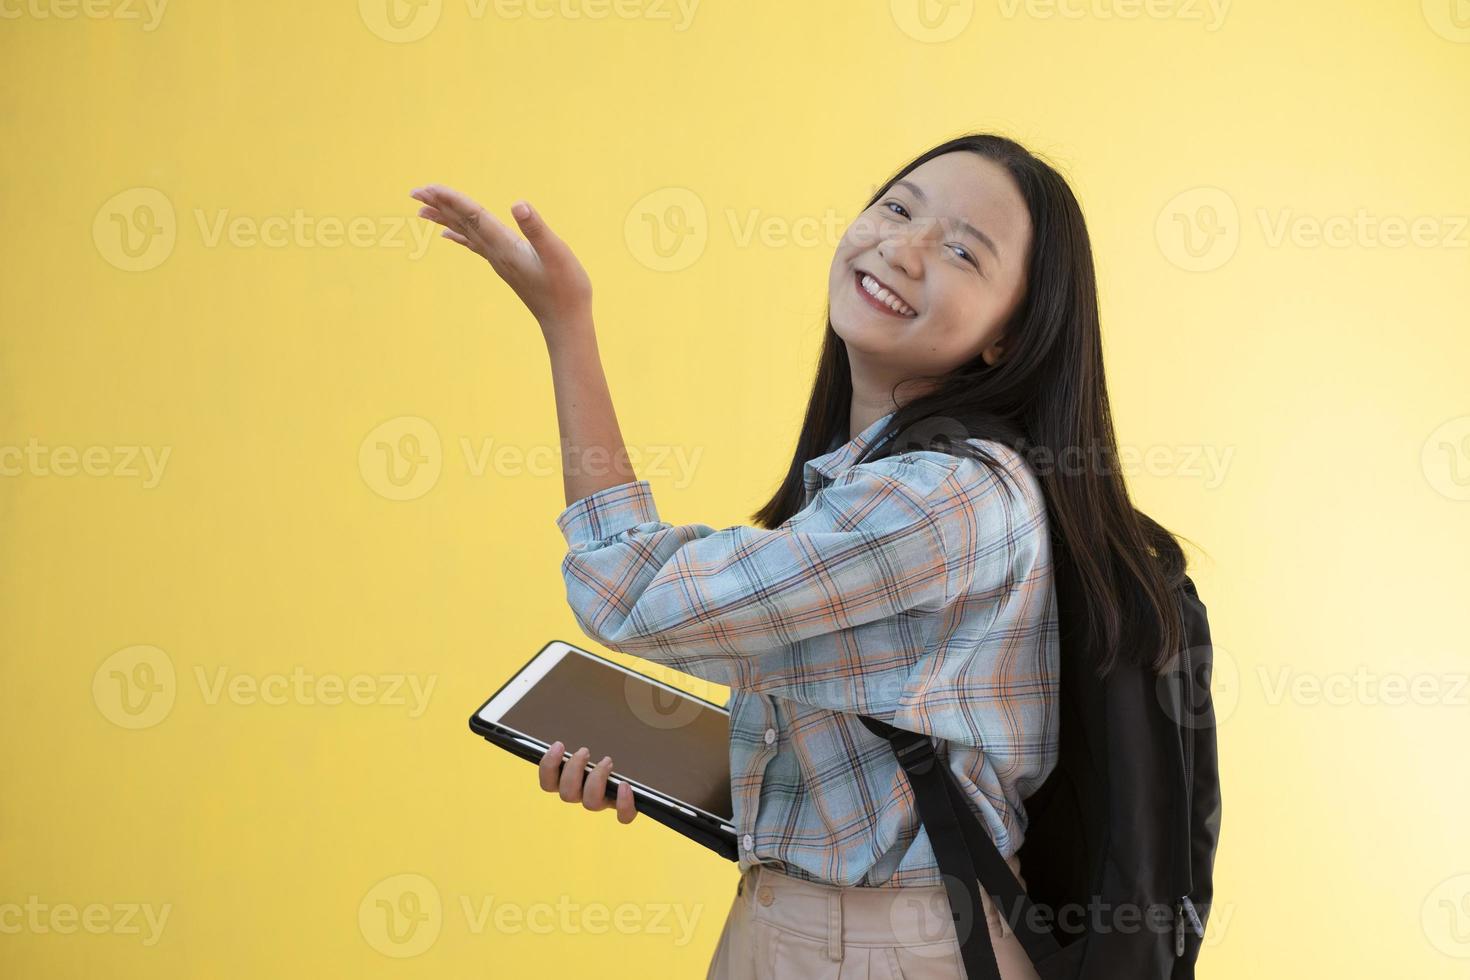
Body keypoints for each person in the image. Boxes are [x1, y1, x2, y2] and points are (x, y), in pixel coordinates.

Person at [410, 132, 1190, 979]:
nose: (903, 247)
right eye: (898, 207)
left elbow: (628, 594)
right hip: (792, 928)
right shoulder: (869, 481)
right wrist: (694, 778)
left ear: (1010, 335)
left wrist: (567, 324)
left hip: (892, 951)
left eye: (963, 251)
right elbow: (863, 756)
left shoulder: (942, 501)